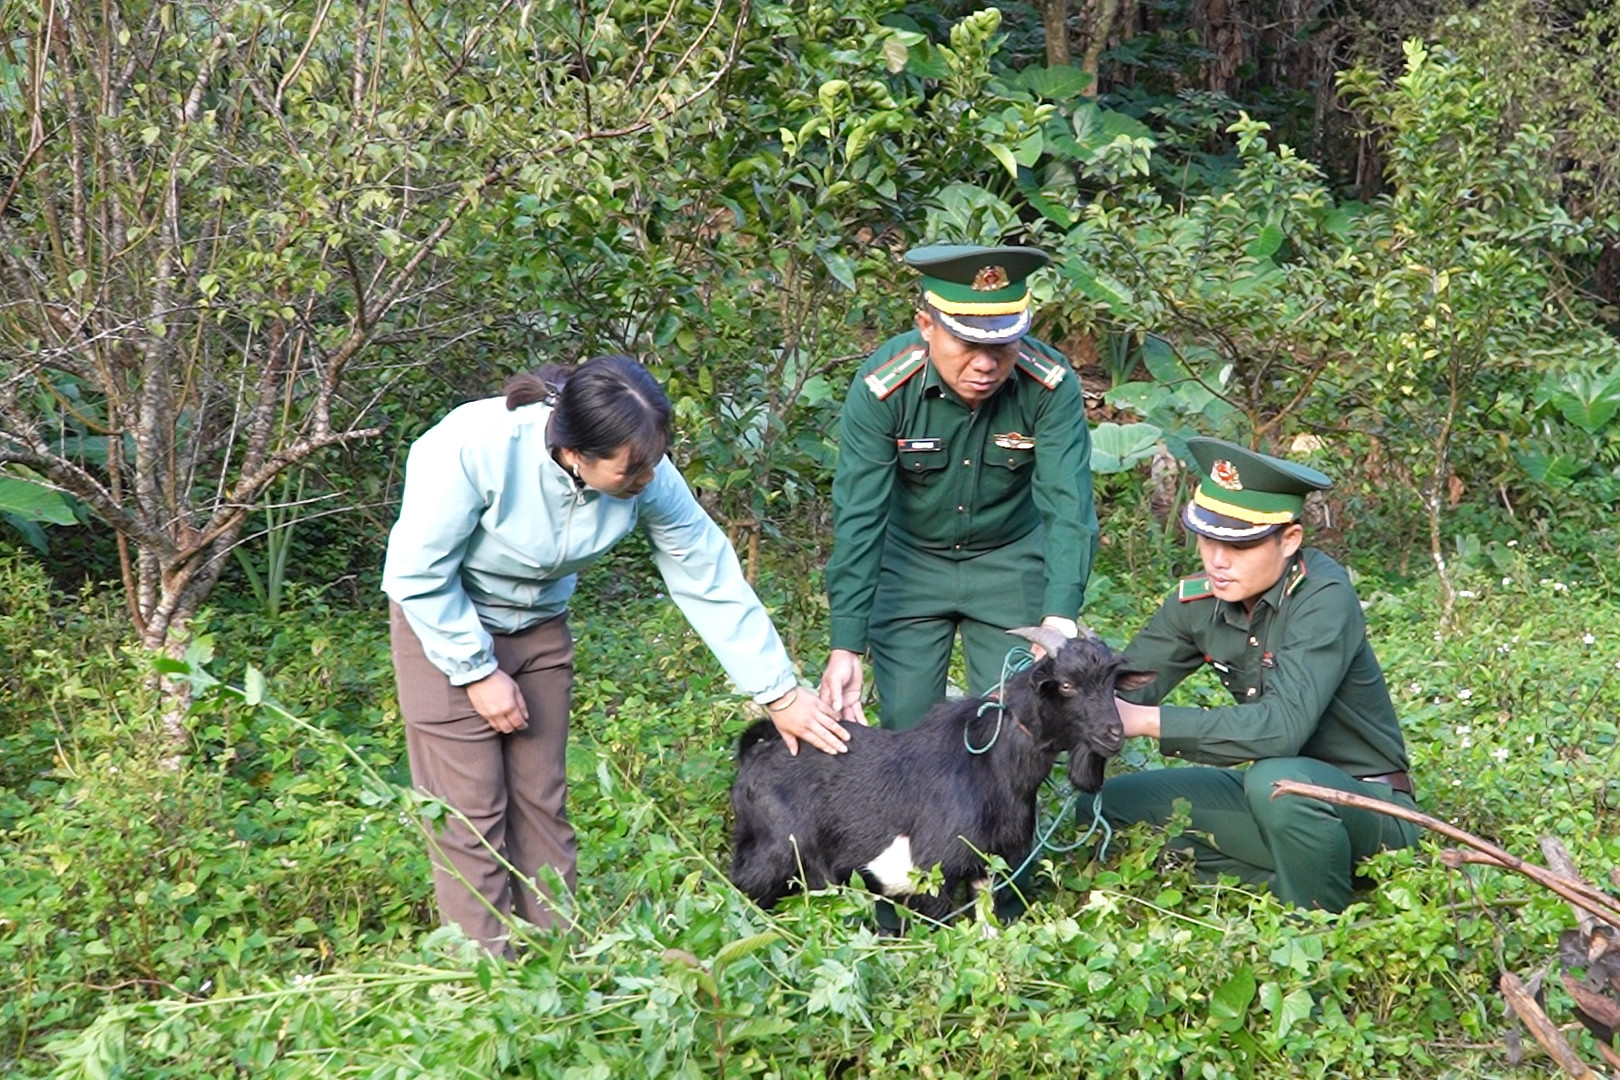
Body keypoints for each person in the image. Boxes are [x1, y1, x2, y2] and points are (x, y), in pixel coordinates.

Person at [382, 354, 848, 954]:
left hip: (540, 623)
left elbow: (702, 568)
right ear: (576, 454)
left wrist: (778, 691)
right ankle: (488, 978)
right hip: (441, 625)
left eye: (654, 462)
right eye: (633, 470)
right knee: (470, 814)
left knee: (540, 802)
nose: (649, 479)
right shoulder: (472, 447)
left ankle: (558, 962)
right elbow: (417, 574)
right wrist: (476, 671)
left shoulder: (643, 468)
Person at [1100, 436, 1419, 912]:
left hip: (1370, 806)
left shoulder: (1322, 596)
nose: (1218, 561)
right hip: (1273, 800)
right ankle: (1295, 873)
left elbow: (1281, 730)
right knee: (1104, 806)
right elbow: (1125, 685)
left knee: (1277, 782)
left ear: (1289, 540)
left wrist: (1147, 721)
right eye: (1207, 538)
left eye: (1240, 545)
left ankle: (1314, 931)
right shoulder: (1197, 601)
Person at [819, 243, 1099, 731]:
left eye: (1002, 345)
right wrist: (846, 643)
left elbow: (1068, 506)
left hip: (1009, 560)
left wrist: (1059, 617)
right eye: (967, 345)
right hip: (911, 563)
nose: (986, 365)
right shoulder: (885, 386)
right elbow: (860, 516)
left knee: (1012, 727)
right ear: (926, 327)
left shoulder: (1048, 385)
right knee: (908, 730)